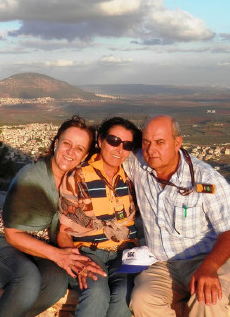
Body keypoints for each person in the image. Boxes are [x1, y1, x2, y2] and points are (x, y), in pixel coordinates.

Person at [0, 115, 106, 317]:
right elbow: (12, 234)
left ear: (86, 155)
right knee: (27, 277)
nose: (70, 152)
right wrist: (59, 256)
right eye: (67, 144)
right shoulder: (32, 177)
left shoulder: (79, 180)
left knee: (56, 283)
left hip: (38, 247)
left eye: (79, 148)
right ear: (56, 143)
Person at [124, 115, 230, 317]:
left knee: (208, 300)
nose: (151, 149)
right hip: (162, 264)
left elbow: (229, 234)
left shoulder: (206, 179)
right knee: (142, 300)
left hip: (204, 259)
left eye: (160, 142)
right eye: (146, 142)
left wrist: (210, 267)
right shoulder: (138, 165)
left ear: (177, 143)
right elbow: (107, 157)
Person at [57, 117, 142, 317]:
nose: (119, 149)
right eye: (114, 141)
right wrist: (77, 261)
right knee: (96, 291)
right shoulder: (78, 177)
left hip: (126, 252)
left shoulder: (132, 176)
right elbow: (64, 232)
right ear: (101, 141)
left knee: (125, 294)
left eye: (127, 145)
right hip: (89, 252)